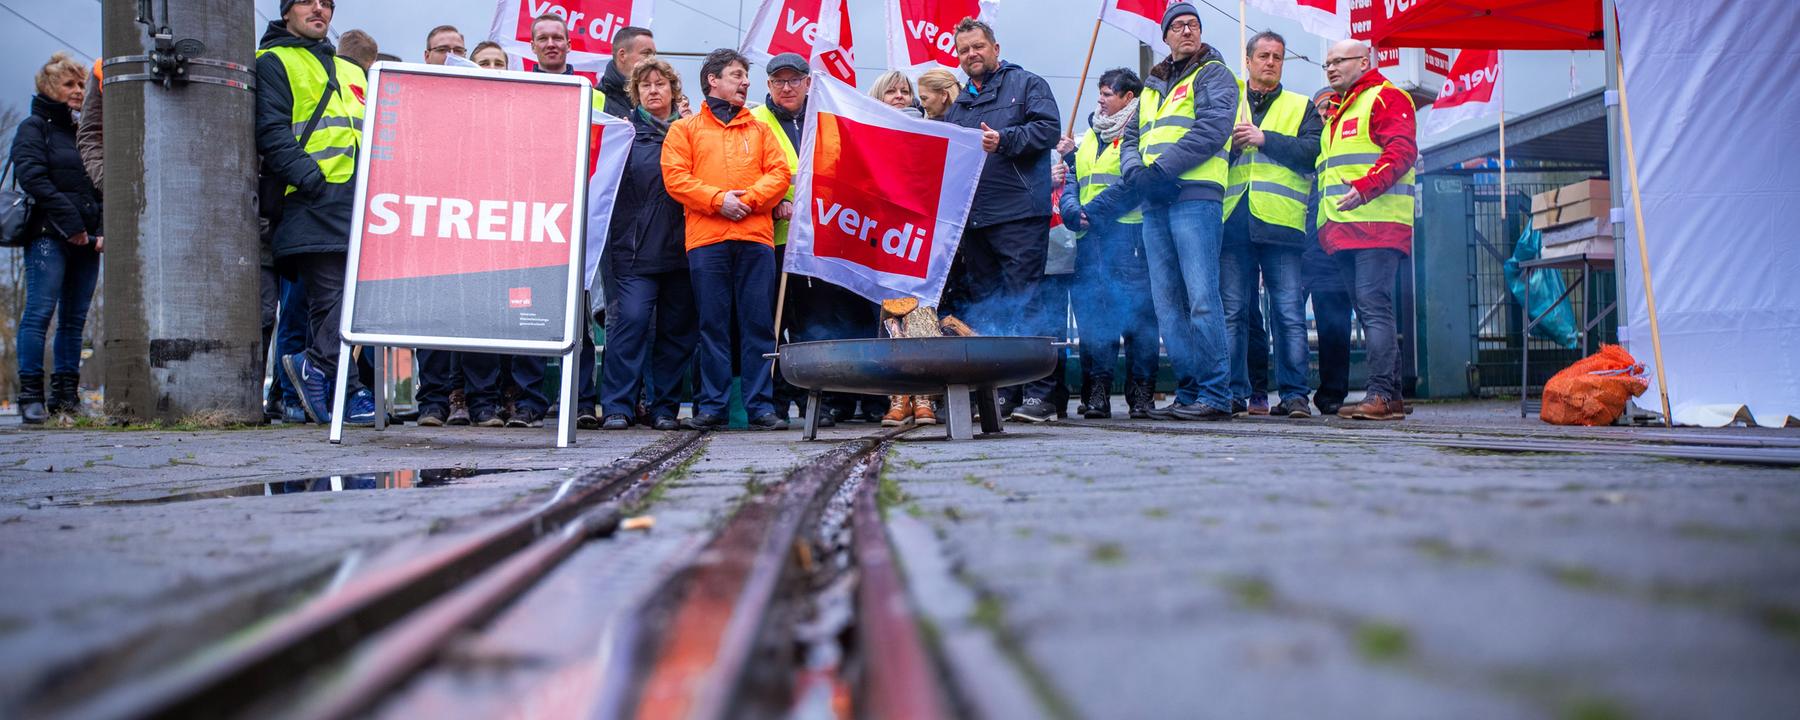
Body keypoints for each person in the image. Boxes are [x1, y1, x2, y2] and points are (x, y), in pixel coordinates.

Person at [258, 0, 377, 426]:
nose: (320, 9)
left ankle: (322, 374)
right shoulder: (272, 61)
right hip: (311, 200)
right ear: (287, 11)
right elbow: (271, 132)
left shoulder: (349, 69)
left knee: (355, 300)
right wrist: (314, 180)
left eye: (327, 4)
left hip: (361, 203)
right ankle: (324, 375)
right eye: (309, 1)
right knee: (332, 299)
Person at [940, 17, 1063, 423]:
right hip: (975, 221)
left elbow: (1048, 130)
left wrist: (1005, 140)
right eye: (963, 50)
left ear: (995, 47)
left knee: (1025, 301)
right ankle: (1004, 393)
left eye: (978, 46)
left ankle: (1040, 394)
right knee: (988, 310)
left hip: (1019, 215)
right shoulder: (958, 106)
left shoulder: (1027, 84)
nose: (971, 54)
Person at [662, 48, 792, 430]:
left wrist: (745, 202)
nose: (745, 82)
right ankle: (712, 406)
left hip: (754, 238)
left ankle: (760, 407)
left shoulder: (761, 128)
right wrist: (720, 201)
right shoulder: (684, 130)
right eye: (736, 75)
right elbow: (676, 178)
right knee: (713, 325)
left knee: (757, 324)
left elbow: (779, 173)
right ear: (712, 81)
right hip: (707, 240)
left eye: (744, 75)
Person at [460, 13, 579, 429]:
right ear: (530, 48)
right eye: (542, 38)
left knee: (527, 309)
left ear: (568, 42)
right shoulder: (507, 93)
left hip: (541, 221)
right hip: (486, 218)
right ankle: (482, 403)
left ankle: (529, 403)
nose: (550, 44)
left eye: (557, 37)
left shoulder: (584, 91)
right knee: (484, 311)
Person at [1119, 3, 1236, 422]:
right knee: (1168, 304)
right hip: (1155, 202)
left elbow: (1213, 128)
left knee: (1202, 299)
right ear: (1165, 36)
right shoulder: (1153, 86)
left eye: (1194, 25)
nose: (1187, 30)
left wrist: (1162, 171)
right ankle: (1188, 392)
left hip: (1195, 198)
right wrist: (1137, 174)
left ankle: (1215, 393)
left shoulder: (1214, 74)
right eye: (1178, 26)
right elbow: (1131, 138)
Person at [1222, 30, 1323, 419]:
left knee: (1288, 313)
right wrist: (1232, 146)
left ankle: (1296, 395)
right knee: (1234, 313)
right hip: (1233, 223)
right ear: (1247, 61)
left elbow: (1313, 152)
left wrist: (1265, 138)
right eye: (1262, 55)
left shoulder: (1301, 106)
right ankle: (1233, 394)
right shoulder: (1228, 105)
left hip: (1281, 226)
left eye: (1277, 57)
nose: (1270, 62)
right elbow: (1208, 152)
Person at [1318, 39, 1418, 420]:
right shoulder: (1342, 108)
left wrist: (1364, 188)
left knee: (1374, 308)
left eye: (1338, 61)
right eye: (1326, 63)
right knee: (1371, 310)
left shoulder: (1385, 97)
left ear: (1364, 61)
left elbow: (1402, 151)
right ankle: (1389, 396)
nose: (1330, 68)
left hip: (1376, 223)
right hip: (1346, 229)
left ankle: (1379, 395)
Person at [598, 59, 699, 431]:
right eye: (645, 86)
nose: (653, 90)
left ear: (673, 90)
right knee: (631, 323)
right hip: (633, 249)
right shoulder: (622, 135)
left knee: (675, 331)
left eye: (660, 84)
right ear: (635, 93)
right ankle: (617, 406)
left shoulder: (693, 133)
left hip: (684, 250)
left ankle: (664, 409)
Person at [1059, 67, 1158, 420]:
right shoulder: (1088, 137)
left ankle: (1142, 395)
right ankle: (1096, 393)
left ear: (1129, 98)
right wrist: (1072, 210)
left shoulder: (1143, 133)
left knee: (1139, 320)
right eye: (1099, 92)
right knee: (1094, 320)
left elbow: (1135, 184)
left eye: (1107, 93)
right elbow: (1073, 179)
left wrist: (1093, 211)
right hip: (1091, 240)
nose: (1100, 99)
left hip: (1128, 237)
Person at [11, 52, 101, 424]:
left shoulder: (87, 132)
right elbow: (34, 180)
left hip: (88, 241)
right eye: (69, 84)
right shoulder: (34, 129)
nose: (78, 90)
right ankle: (30, 395)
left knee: (74, 321)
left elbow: (99, 183)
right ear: (48, 88)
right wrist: (73, 225)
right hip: (49, 236)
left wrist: (98, 232)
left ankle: (65, 395)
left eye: (81, 84)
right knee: (39, 313)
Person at [412, 24, 472, 427]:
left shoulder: (480, 101)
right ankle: (431, 401)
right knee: (430, 317)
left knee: (471, 317)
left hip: (473, 223)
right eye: (442, 49)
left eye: (458, 49)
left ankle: (468, 398)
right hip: (428, 222)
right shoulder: (415, 99)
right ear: (427, 55)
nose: (451, 55)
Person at [1302, 86, 1352, 416]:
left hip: (1332, 243)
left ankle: (1332, 392)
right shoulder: (1305, 144)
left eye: (1331, 107)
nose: (1325, 113)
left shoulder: (1345, 145)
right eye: (1321, 108)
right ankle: (1291, 389)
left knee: (1333, 321)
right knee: (1287, 318)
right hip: (1295, 240)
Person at [599, 26, 655, 117]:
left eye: (653, 55)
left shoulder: (658, 98)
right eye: (646, 53)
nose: (653, 60)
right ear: (622, 55)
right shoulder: (591, 100)